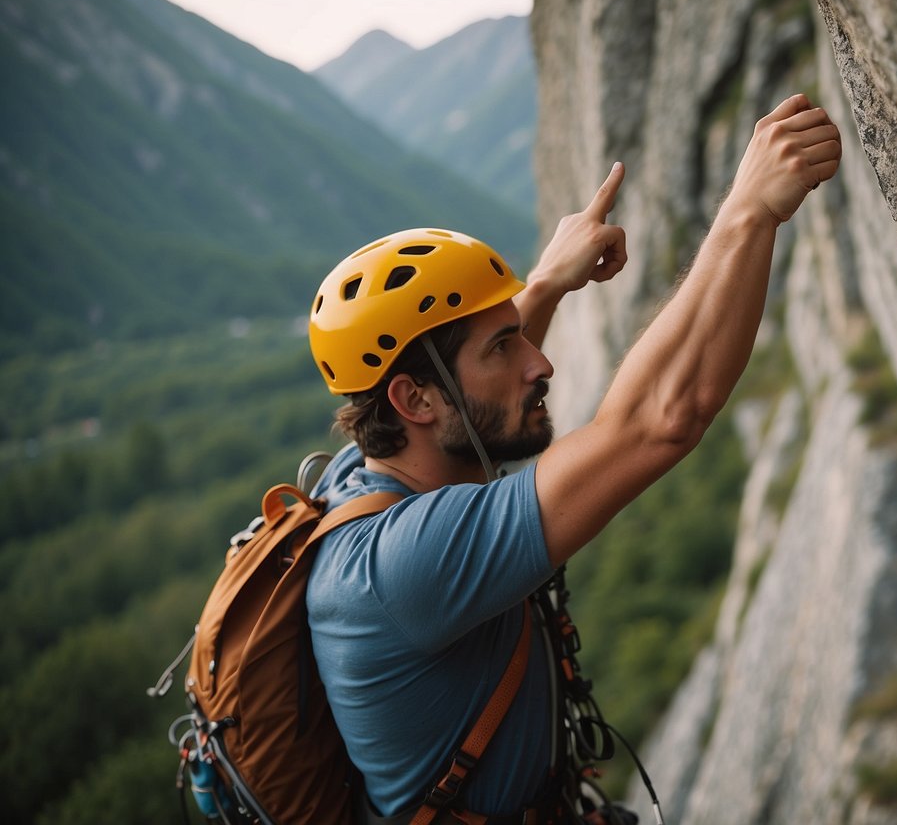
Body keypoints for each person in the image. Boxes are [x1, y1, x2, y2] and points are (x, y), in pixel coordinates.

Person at [305, 93, 841, 823]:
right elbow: (660, 420)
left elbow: (459, 394)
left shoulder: (370, 472)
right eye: (504, 347)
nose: (541, 363)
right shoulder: (403, 569)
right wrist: (748, 212)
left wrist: (547, 283)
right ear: (414, 401)